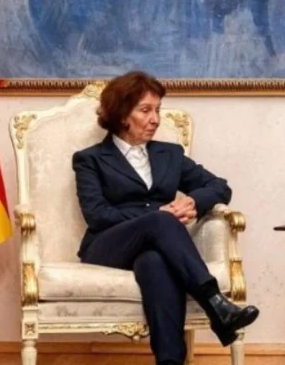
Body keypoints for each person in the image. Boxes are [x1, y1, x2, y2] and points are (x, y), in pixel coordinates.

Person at [73, 71, 259, 365]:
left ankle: (170, 361)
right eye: (145, 110)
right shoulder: (91, 159)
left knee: (154, 263)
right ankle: (215, 304)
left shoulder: (169, 154)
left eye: (157, 110)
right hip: (108, 246)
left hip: (156, 247)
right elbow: (97, 215)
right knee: (160, 220)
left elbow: (219, 186)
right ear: (122, 114)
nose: (155, 119)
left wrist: (193, 201)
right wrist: (156, 214)